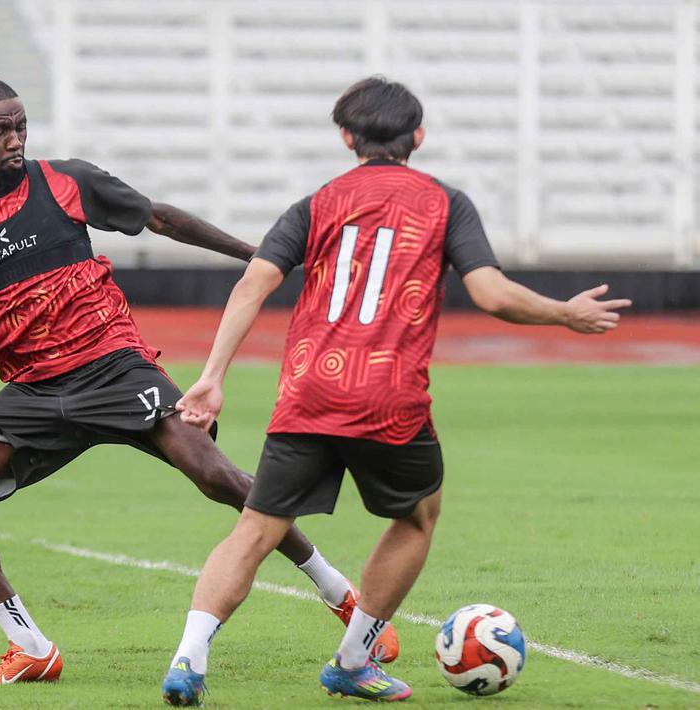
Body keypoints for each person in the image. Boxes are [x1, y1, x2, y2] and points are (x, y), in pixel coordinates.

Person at [0, 76, 397, 686]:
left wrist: (262, 256)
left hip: (115, 368)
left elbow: (161, 219)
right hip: (36, 392)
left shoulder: (64, 181)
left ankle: (339, 592)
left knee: (217, 476)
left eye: (20, 125)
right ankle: (30, 647)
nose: (15, 139)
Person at [160, 76, 632, 705]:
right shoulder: (445, 203)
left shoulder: (317, 203)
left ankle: (188, 661)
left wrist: (213, 377)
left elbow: (254, 284)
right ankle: (354, 659)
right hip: (389, 399)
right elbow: (490, 293)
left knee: (256, 528)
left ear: (347, 138)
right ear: (419, 136)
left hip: (307, 393)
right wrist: (563, 313)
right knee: (416, 516)